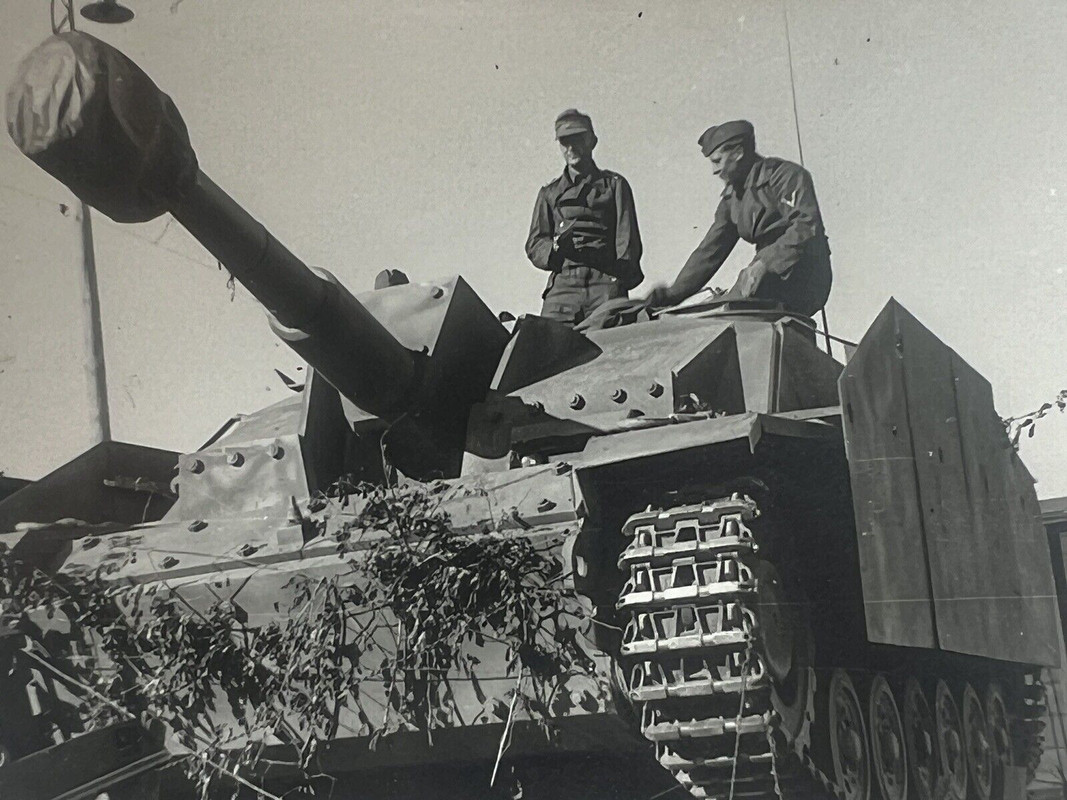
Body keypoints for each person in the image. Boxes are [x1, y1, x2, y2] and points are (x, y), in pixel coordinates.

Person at [648, 120, 832, 316]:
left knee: (731, 312)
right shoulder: (733, 198)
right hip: (765, 274)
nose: (714, 171)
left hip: (805, 274)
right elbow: (710, 250)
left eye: (717, 161)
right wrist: (672, 294)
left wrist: (765, 263)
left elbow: (806, 226)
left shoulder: (785, 176)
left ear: (737, 153)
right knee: (715, 313)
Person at [525, 109, 644, 325]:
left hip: (605, 283)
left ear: (592, 141)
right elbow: (535, 243)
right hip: (564, 287)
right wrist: (554, 248)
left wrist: (618, 282)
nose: (571, 148)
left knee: (615, 340)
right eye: (564, 142)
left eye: (577, 139)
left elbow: (627, 242)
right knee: (545, 341)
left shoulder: (614, 185)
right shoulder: (549, 193)